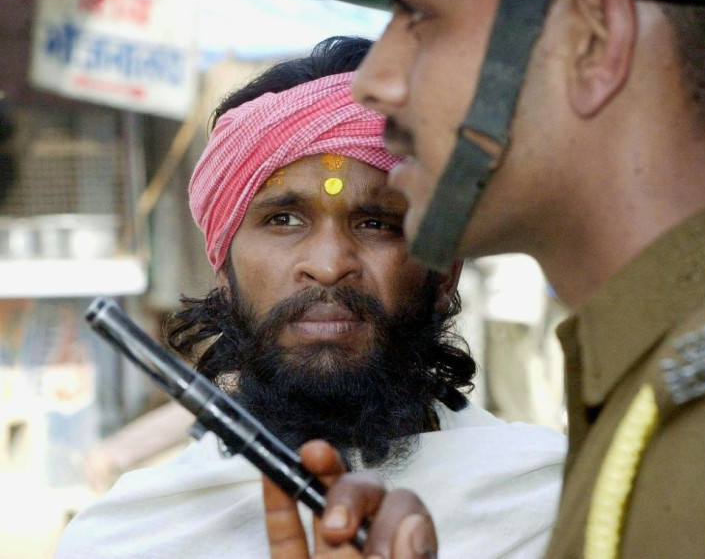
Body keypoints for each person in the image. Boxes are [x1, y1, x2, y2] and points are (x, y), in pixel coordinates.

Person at [53, 36, 566, 559]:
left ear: (445, 273)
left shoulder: (553, 506)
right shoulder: (128, 537)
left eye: (376, 223)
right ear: (223, 272)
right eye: (283, 220)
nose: (326, 265)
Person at [265, 0, 705, 558]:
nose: (374, 81)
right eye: (283, 220)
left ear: (593, 41)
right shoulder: (659, 385)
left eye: (419, 17)